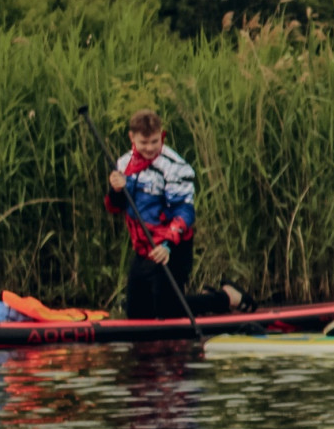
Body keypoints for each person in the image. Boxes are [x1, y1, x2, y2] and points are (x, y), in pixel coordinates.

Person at [104, 109, 243, 319]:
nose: (150, 148)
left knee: (168, 311)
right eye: (144, 143)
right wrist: (115, 190)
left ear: (161, 135)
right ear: (132, 138)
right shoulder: (123, 164)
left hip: (174, 248)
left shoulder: (175, 167)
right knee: (137, 316)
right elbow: (115, 207)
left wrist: (167, 245)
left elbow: (184, 212)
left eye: (154, 141)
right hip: (144, 249)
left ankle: (226, 297)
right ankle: (207, 298)